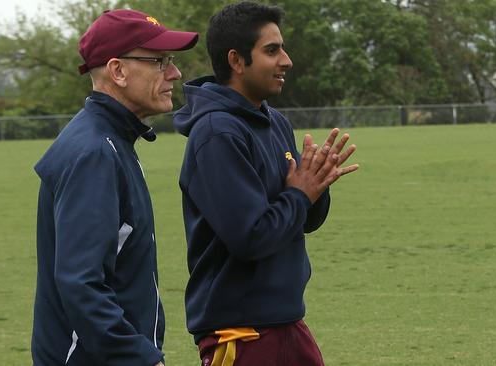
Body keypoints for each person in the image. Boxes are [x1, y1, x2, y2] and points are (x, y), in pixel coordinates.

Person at [173, 2, 358, 365]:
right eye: (272, 51)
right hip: (241, 333)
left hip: (287, 321)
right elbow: (251, 237)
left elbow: (302, 220)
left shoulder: (275, 122)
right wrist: (300, 192)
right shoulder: (216, 133)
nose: (286, 60)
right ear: (237, 61)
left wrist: (316, 186)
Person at [30, 9, 197, 366]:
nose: (175, 73)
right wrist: (140, 357)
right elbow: (81, 284)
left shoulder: (110, 140)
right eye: (159, 61)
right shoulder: (95, 153)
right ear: (118, 70)